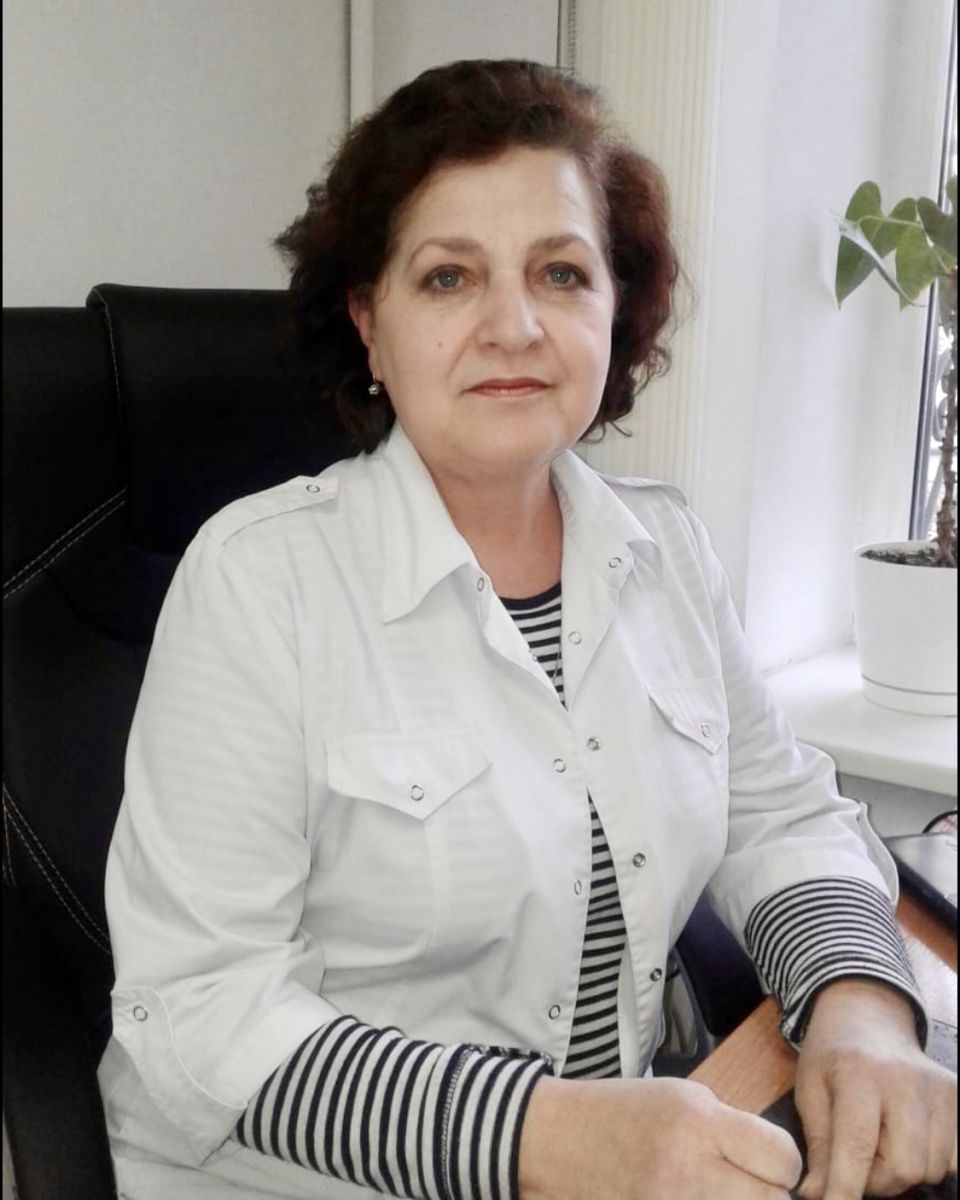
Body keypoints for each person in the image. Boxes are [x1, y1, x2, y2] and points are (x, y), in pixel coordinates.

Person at [99, 59, 956, 1200]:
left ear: (615, 308)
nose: (513, 326)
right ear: (369, 321)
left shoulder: (665, 550)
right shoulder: (259, 582)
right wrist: (544, 1136)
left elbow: (780, 816)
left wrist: (861, 1009)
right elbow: (202, 1010)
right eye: (448, 277)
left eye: (560, 273)